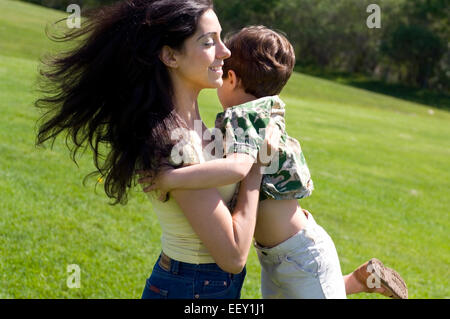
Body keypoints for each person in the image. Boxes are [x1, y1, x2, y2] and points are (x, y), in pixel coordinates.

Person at [139, 26, 408, 299]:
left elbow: (239, 167)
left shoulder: (246, 117)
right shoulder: (255, 114)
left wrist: (169, 179)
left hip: (300, 252)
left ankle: (354, 282)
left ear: (231, 78)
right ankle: (357, 280)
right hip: (278, 254)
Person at [35, 0, 280, 299]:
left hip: (200, 286)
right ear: (170, 56)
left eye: (220, 38)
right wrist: (255, 167)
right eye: (208, 42)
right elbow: (232, 257)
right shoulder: (176, 144)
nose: (225, 52)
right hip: (193, 288)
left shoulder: (199, 127)